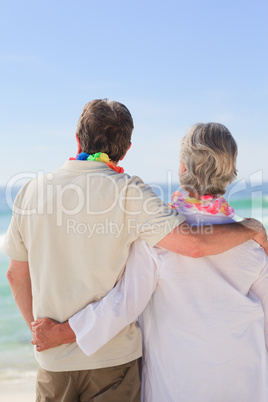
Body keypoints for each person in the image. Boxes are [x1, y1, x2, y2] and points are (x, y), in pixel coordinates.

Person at [3, 102, 267, 402]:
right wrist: (250, 229)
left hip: (143, 377)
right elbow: (196, 244)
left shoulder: (30, 191)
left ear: (78, 138)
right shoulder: (251, 247)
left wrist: (47, 335)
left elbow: (124, 301)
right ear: (127, 148)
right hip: (234, 377)